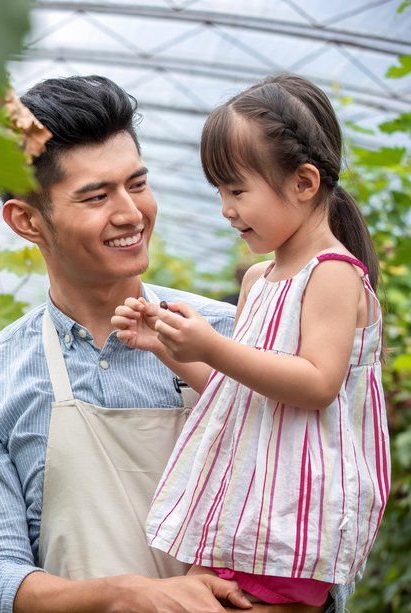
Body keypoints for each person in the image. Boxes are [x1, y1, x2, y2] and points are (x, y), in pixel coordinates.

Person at [0, 74, 352, 613]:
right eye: (96, 196)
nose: (131, 214)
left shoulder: (237, 336)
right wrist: (125, 596)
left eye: (136, 184)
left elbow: (321, 504)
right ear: (27, 221)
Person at [112, 74, 388, 606]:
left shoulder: (332, 273)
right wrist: (166, 346)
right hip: (245, 505)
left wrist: (212, 345)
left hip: (294, 517)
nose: (226, 208)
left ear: (304, 183)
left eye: (237, 190)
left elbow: (318, 384)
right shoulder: (259, 279)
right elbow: (237, 389)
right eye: (220, 191)